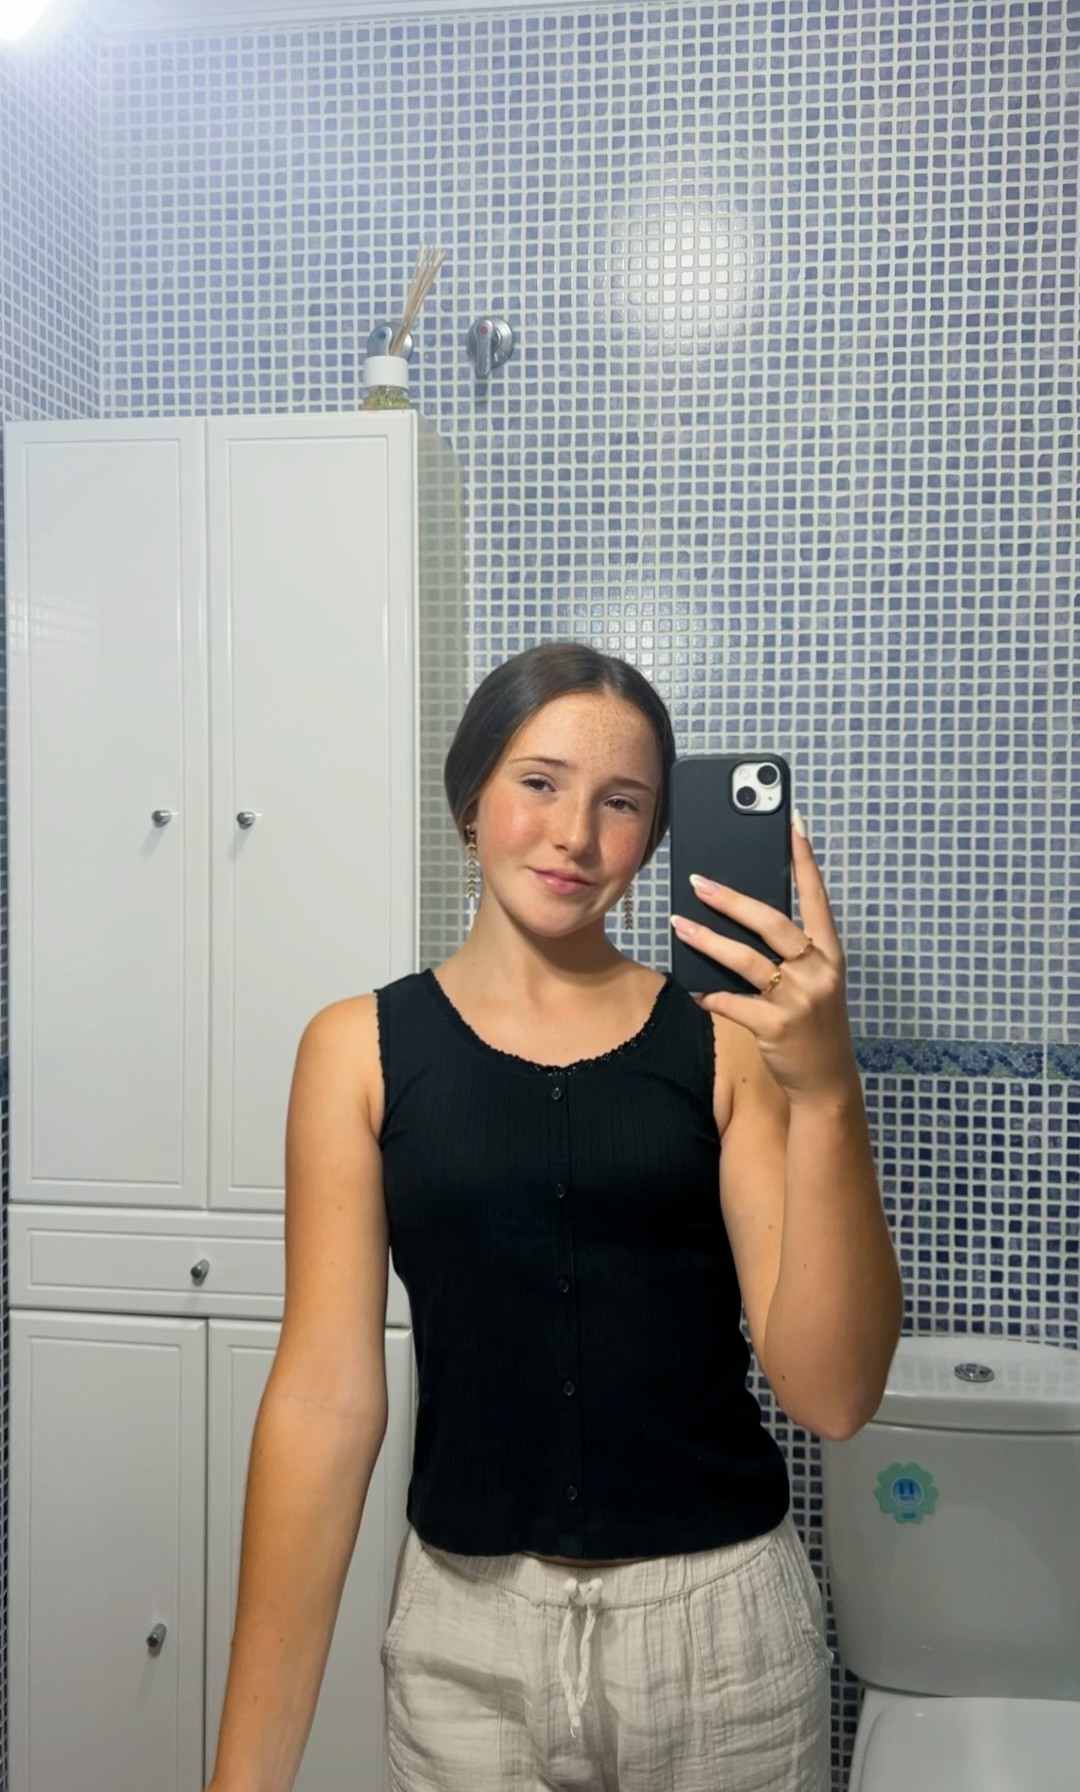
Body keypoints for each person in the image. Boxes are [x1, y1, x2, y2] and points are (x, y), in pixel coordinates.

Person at [206, 641, 903, 1792]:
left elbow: (832, 1393)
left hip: (725, 1637)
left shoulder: (726, 1040)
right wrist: (244, 1775)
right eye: (539, 782)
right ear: (470, 797)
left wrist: (829, 1093)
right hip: (464, 1640)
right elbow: (323, 1402)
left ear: (655, 834)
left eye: (621, 803)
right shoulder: (356, 1052)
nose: (576, 835)